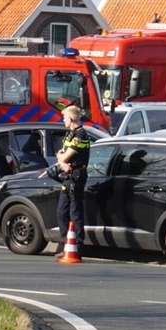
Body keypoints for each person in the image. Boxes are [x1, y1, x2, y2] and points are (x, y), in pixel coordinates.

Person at [55, 106, 91, 248]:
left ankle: (78, 245)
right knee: (61, 211)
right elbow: (61, 155)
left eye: (64, 118)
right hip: (67, 176)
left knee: (75, 212)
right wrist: (62, 162)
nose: (63, 120)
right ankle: (67, 243)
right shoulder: (70, 134)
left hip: (76, 177)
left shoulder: (80, 135)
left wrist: (62, 158)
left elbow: (65, 155)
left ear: (70, 119)